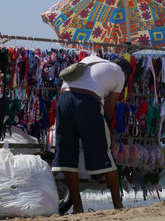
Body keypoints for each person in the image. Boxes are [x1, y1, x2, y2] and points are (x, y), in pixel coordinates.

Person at [51, 55, 133, 213]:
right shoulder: (120, 74)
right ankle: (118, 205)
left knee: (67, 155)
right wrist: (104, 130)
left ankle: (77, 207)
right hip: (87, 101)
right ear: (125, 72)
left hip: (64, 99)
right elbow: (109, 108)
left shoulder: (90, 59)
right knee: (105, 153)